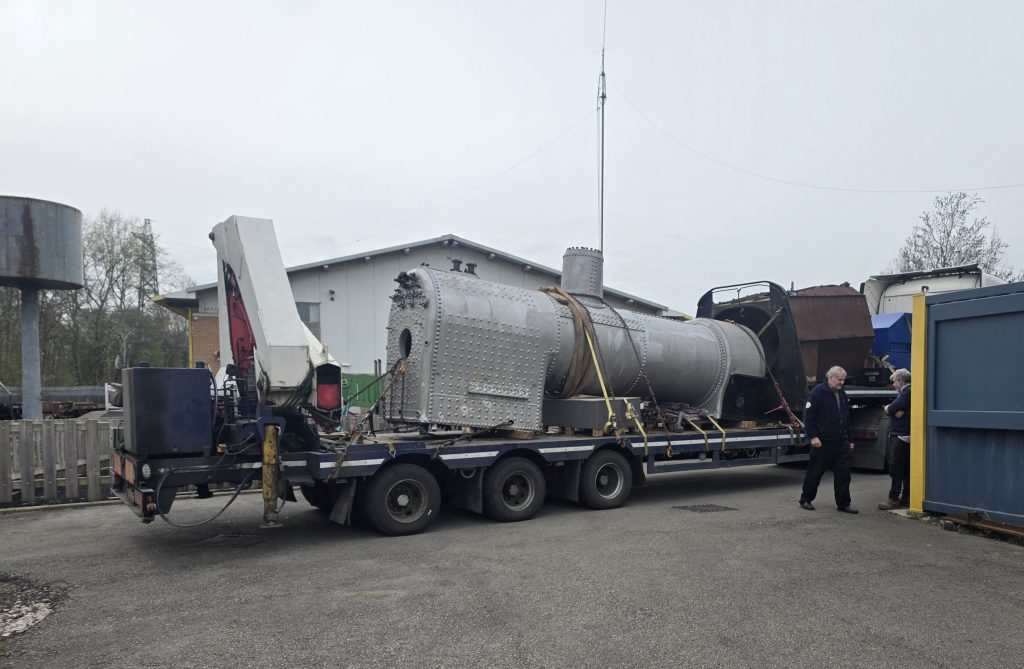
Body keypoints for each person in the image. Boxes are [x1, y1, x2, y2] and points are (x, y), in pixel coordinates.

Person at [799, 366, 858, 514]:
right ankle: (806, 499)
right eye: (839, 379)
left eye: (843, 380)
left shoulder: (842, 393)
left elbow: (846, 418)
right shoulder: (817, 392)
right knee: (815, 472)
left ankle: (844, 504)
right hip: (822, 442)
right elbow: (808, 416)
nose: (842, 382)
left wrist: (850, 438)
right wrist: (812, 436)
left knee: (844, 474)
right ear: (830, 377)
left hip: (841, 441)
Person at [878, 368, 911, 510]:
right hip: (903, 435)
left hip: (901, 435)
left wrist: (887, 407)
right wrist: (894, 410)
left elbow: (892, 410)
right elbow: (896, 411)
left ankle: (893, 499)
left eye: (894, 382)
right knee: (904, 469)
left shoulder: (907, 392)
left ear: (900, 380)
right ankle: (905, 498)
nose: (893, 385)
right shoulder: (906, 393)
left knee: (896, 467)